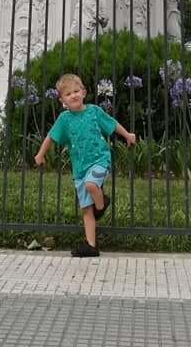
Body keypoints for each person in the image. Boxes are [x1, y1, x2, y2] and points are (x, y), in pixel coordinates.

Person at [34, 72, 136, 257]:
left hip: (99, 161)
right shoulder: (64, 119)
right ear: (62, 100)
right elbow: (51, 136)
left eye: (76, 91)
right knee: (86, 209)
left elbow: (112, 124)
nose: (73, 95)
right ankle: (91, 245)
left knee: (92, 185)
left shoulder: (94, 111)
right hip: (80, 169)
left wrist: (127, 135)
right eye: (68, 94)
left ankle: (102, 204)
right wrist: (40, 154)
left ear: (84, 92)